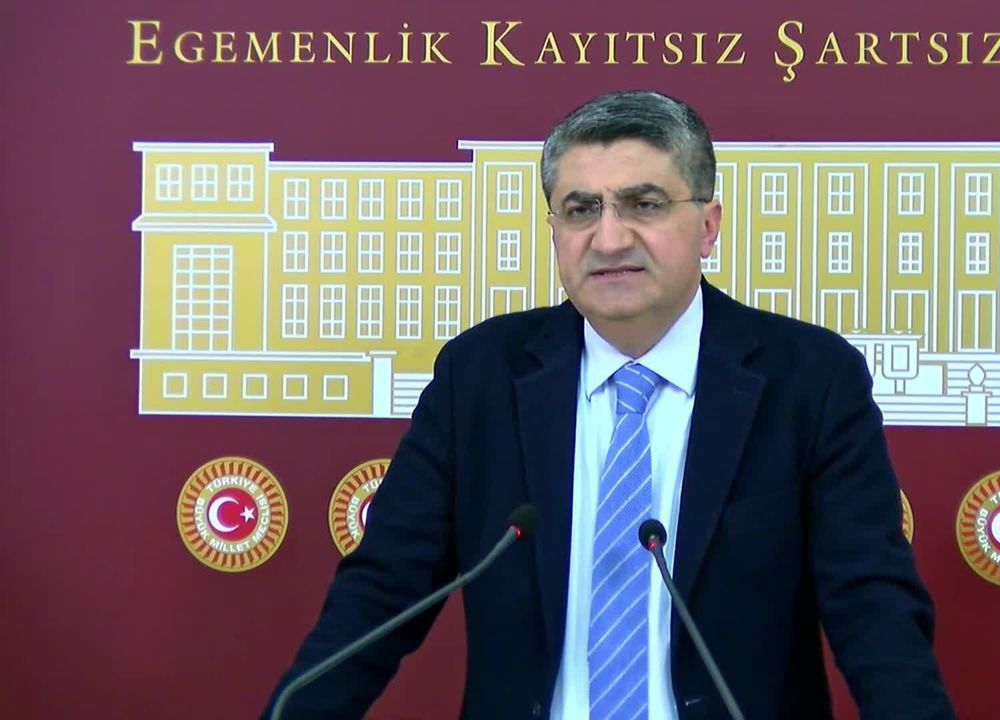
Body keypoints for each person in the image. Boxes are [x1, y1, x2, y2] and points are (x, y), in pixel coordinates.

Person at [262, 90, 955, 719]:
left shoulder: (808, 378)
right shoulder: (482, 375)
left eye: (643, 205)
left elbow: (873, 610)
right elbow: (382, 593)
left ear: (708, 225)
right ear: (555, 230)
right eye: (581, 209)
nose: (610, 238)